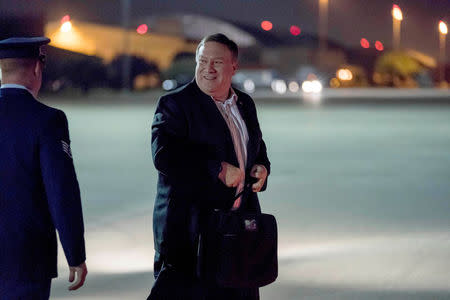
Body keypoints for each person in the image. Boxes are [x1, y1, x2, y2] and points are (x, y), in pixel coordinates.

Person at [149, 33, 270, 300]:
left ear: (233, 67)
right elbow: (164, 156)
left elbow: (256, 146)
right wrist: (217, 168)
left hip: (237, 234)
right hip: (191, 236)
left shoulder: (245, 104)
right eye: (202, 60)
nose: (208, 68)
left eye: (216, 62)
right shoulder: (174, 105)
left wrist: (261, 167)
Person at [0, 37, 87, 299]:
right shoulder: (48, 120)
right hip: (26, 258)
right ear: (37, 68)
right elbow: (61, 191)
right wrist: (75, 254)